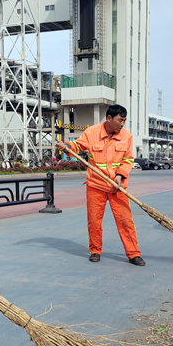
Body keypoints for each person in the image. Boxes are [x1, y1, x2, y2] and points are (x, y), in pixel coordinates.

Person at [55, 105, 145, 266]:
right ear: (109, 118)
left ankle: (133, 254)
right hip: (96, 185)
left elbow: (128, 160)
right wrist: (66, 147)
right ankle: (95, 250)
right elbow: (76, 146)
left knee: (125, 221)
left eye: (124, 120)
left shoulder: (127, 136)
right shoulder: (92, 133)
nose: (122, 124)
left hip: (117, 187)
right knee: (94, 221)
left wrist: (120, 175)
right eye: (120, 120)